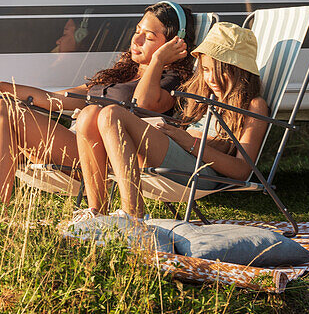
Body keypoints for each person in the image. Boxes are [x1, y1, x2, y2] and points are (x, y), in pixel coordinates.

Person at [0, 1, 196, 203]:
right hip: (76, 141)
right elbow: (57, 99)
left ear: (174, 45)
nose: (135, 39)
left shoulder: (172, 80)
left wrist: (157, 61)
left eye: (148, 37)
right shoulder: (122, 74)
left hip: (99, 155)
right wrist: (5, 87)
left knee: (2, 110)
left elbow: (143, 103)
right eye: (137, 31)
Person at [75, 22, 265, 217]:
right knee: (89, 114)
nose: (212, 79)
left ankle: (133, 215)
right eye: (206, 70)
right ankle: (96, 213)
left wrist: (189, 142)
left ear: (241, 71)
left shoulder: (253, 105)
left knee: (111, 114)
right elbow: (141, 102)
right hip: (178, 151)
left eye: (222, 71)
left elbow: (242, 171)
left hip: (202, 170)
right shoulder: (204, 95)